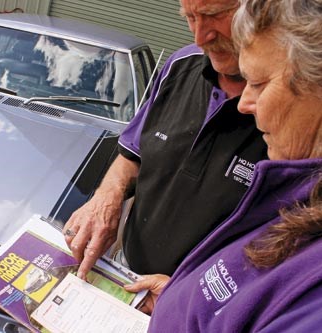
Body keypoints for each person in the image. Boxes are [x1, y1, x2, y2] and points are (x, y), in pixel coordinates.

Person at [136, 0, 322, 330]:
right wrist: (183, 296)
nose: (245, 104)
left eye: (260, 83)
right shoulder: (299, 188)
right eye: (190, 18)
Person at [63, 0, 268, 281]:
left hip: (202, 307)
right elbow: (132, 156)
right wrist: (106, 198)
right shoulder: (179, 66)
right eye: (191, 17)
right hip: (127, 271)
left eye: (213, 15)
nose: (200, 37)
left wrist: (184, 293)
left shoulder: (293, 105)